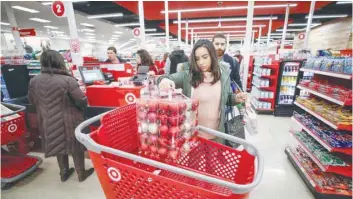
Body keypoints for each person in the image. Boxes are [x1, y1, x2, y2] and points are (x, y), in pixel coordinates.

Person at [158, 39, 247, 142]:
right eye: (197, 59)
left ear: (212, 56)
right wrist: (164, 80)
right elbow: (165, 77)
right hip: (193, 136)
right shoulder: (188, 76)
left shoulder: (223, 76)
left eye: (205, 57)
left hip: (217, 135)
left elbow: (226, 99)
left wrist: (236, 98)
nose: (201, 62)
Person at [28, 50, 94, 182]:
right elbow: (81, 101)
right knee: (75, 146)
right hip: (69, 120)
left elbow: (31, 100)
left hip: (47, 120)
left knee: (57, 144)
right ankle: (81, 173)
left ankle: (63, 173)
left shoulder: (34, 81)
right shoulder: (68, 80)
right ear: (59, 62)